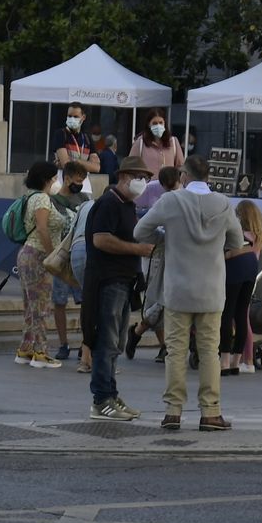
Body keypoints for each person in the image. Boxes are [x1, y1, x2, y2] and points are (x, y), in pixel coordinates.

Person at [134, 155, 242, 431]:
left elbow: (140, 231)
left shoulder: (171, 201)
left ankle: (173, 411)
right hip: (211, 291)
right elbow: (237, 242)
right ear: (208, 176)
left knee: (175, 352)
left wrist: (165, 238)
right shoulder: (223, 203)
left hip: (178, 291)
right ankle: (210, 412)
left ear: (183, 175)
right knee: (209, 352)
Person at [84, 155, 156, 422]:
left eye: (147, 178)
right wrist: (138, 249)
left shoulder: (126, 205)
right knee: (107, 341)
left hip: (123, 280)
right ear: (124, 177)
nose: (144, 183)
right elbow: (101, 240)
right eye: (140, 177)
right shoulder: (108, 204)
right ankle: (101, 399)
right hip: (108, 281)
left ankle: (110, 395)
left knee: (115, 342)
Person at [14, 161, 66, 369]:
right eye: (54, 177)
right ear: (47, 179)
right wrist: (52, 253)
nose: (56, 181)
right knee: (41, 306)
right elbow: (43, 228)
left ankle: (26, 348)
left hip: (27, 254)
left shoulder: (30, 197)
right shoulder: (42, 199)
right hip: (38, 255)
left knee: (31, 305)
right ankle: (41, 352)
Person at [126, 167, 181, 362]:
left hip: (171, 253)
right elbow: (142, 225)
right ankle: (148, 336)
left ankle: (145, 335)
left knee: (164, 302)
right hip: (160, 253)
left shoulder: (175, 196)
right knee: (158, 301)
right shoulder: (158, 194)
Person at [50, 160, 90, 364]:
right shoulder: (54, 200)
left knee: (85, 301)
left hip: (80, 254)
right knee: (59, 300)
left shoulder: (85, 199)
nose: (80, 184)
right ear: (66, 178)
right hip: (62, 255)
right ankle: (63, 343)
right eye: (77, 180)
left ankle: (85, 344)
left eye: (82, 180)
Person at [232, 200, 262, 374]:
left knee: (240, 318)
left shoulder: (243, 236)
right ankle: (247, 359)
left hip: (239, 277)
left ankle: (248, 360)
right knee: (242, 318)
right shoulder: (257, 237)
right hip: (250, 279)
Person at [51, 102, 103, 175]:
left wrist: (76, 161)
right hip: (64, 179)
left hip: (84, 181)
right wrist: (87, 164)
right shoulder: (61, 134)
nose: (72, 119)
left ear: (83, 117)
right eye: (69, 116)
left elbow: (96, 167)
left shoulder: (87, 138)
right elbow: (65, 164)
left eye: (75, 117)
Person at [131, 108, 185, 177]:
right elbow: (131, 166)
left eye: (160, 123)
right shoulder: (140, 142)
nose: (158, 126)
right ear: (148, 124)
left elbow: (180, 166)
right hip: (148, 185)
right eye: (154, 123)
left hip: (168, 186)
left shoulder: (173, 142)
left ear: (164, 123)